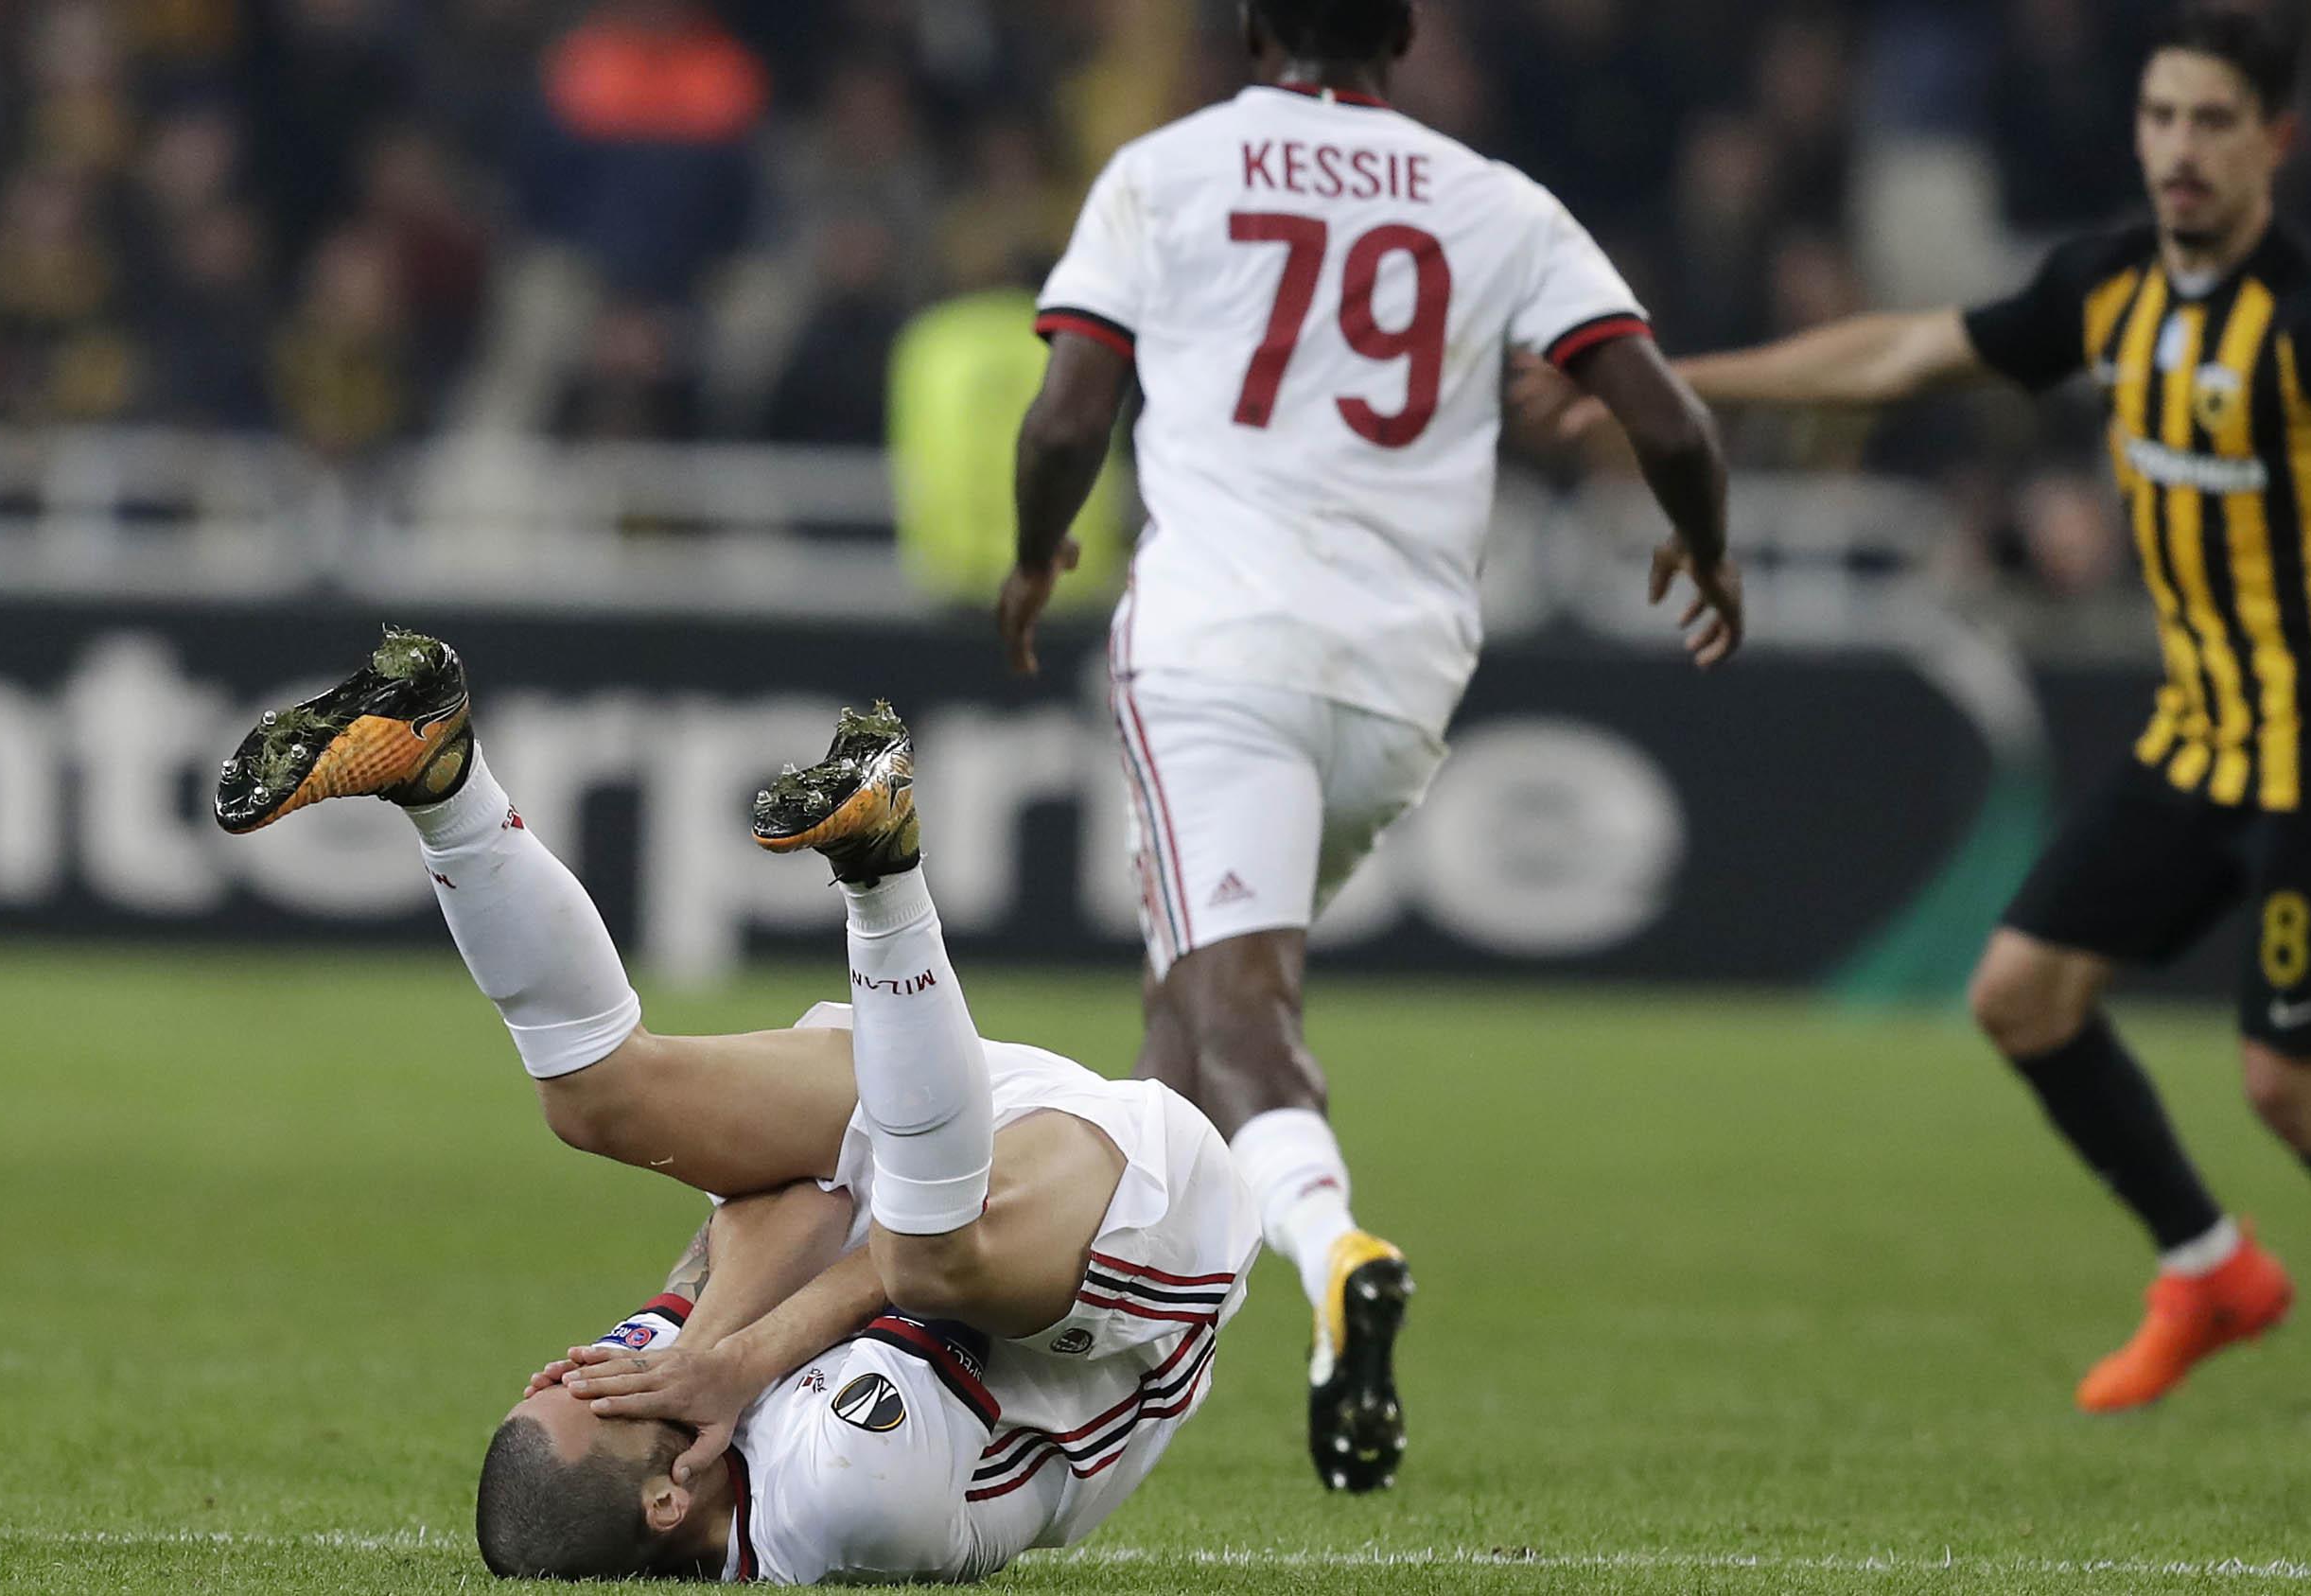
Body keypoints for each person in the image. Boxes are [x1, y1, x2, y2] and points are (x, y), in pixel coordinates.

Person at [1558, 4, 2311, 1431]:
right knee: (2020, 995)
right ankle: (2209, 1269)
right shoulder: (2108, 285)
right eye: (2162, 117)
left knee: (2291, 1084)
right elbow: (1903, 355)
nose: (2180, 147)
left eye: (2213, 121)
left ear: (2275, 142)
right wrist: (1675, 383)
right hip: (2197, 737)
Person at [993, 0, 1742, 1490]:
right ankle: (1098, 1357)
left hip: (1219, 643)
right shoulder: (1497, 202)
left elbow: (1069, 413)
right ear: (1401, 35)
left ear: (1249, 27)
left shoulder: (1166, 171)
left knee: (1234, 1003)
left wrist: (1033, 553)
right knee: (1191, 1006)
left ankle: (1335, 1249)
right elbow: (1672, 424)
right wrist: (1707, 547)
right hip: (1401, 678)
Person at [212, 631, 1258, 1581]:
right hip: (1134, 1256)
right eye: (605, 1398)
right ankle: (881, 872)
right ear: (670, 1500)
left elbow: (799, 1197)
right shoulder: (845, 1496)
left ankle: (440, 776)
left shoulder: (666, 1391)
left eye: (579, 1375)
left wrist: (702, 1344)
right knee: (932, 1252)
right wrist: (740, 1362)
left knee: (598, 1101)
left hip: (928, 1112)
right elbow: (899, 1273)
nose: (613, 1371)